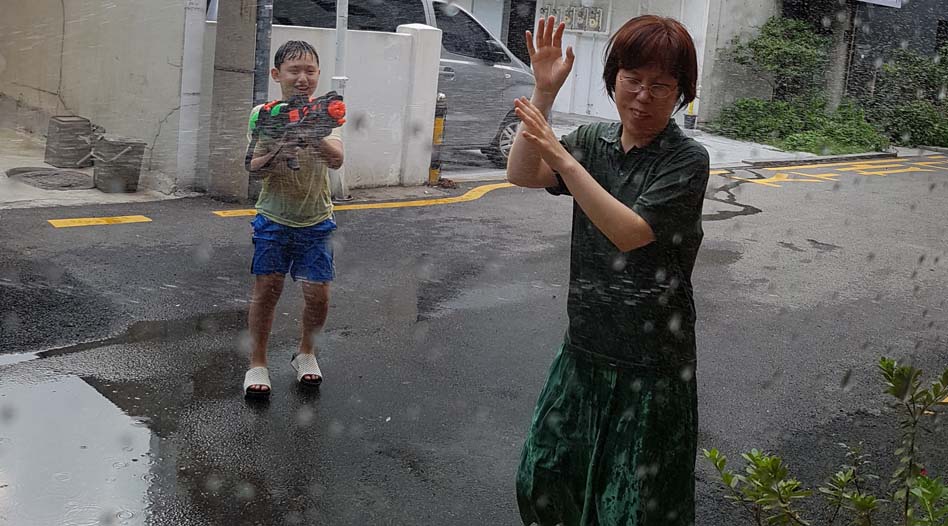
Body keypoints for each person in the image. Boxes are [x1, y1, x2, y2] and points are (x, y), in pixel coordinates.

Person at [508, 15, 710, 525]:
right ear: (613, 79)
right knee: (543, 483)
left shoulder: (686, 160)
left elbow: (629, 232)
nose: (642, 96)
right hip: (584, 349)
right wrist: (543, 93)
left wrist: (564, 159)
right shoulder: (593, 140)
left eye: (660, 85)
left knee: (631, 511)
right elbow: (523, 172)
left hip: (651, 368)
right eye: (632, 79)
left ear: (681, 92)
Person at [242, 40, 344, 398]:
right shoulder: (265, 115)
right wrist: (282, 145)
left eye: (310, 71)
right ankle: (257, 362)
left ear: (318, 74)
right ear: (276, 74)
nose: (303, 78)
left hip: (317, 220)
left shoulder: (325, 113)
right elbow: (253, 168)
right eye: (294, 70)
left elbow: (336, 159)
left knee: (319, 296)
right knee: (266, 293)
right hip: (273, 219)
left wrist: (312, 135)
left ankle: (306, 354)